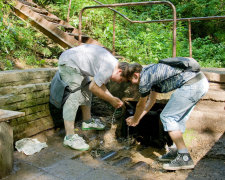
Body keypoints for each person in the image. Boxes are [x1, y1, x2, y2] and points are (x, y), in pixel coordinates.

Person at [126, 58, 209, 170]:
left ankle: (185, 159)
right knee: (178, 119)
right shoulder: (149, 71)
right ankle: (176, 152)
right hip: (200, 83)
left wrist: (135, 119)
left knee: (168, 116)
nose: (131, 83)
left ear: (135, 75)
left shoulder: (144, 78)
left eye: (130, 80)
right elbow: (151, 101)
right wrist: (138, 118)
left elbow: (141, 104)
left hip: (191, 86)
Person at [58, 44, 130, 151]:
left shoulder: (113, 65)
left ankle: (87, 122)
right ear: (119, 71)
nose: (119, 82)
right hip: (69, 63)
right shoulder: (109, 67)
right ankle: (69, 137)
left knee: (86, 90)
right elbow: (94, 88)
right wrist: (111, 100)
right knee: (74, 96)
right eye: (121, 80)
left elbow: (99, 85)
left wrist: (113, 98)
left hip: (78, 65)